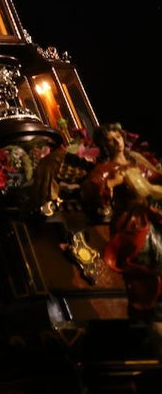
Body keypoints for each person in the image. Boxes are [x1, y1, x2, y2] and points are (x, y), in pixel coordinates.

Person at [81, 123, 162, 323]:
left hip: (148, 219)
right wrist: (112, 183)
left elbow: (155, 180)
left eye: (118, 136)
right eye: (110, 139)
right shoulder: (105, 169)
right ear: (103, 145)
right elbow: (92, 188)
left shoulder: (139, 166)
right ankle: (145, 314)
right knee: (142, 268)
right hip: (131, 224)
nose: (116, 141)